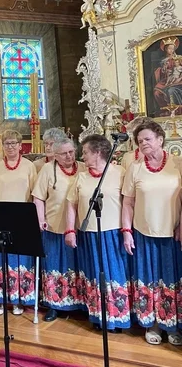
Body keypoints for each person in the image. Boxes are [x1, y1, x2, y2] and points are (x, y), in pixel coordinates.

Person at [121, 121, 182, 345]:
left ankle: (172, 324)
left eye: (147, 139)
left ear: (160, 139)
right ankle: (152, 324)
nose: (143, 143)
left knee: (171, 280)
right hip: (143, 233)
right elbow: (127, 203)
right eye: (139, 141)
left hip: (171, 235)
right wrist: (127, 231)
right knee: (148, 280)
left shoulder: (177, 164)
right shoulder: (134, 168)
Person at [66, 134, 131, 331]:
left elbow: (129, 202)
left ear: (98, 152)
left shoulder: (119, 172)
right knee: (94, 274)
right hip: (89, 234)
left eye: (85, 152)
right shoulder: (81, 177)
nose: (82, 156)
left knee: (115, 275)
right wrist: (70, 230)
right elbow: (71, 205)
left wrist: (127, 229)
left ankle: (118, 317)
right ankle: (98, 316)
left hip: (113, 234)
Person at [33, 138, 86, 321]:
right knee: (54, 266)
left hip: (79, 228)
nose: (69, 156)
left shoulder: (83, 167)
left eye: (72, 151)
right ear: (55, 155)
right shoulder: (48, 170)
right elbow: (38, 198)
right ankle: (54, 304)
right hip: (54, 226)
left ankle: (81, 303)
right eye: (64, 153)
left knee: (79, 266)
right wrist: (40, 219)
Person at [0, 130, 37, 316]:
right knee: (0, 259)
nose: (10, 146)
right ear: (3, 146)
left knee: (20, 260)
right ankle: (0, 301)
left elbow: (35, 193)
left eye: (13, 143)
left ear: (20, 145)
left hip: (21, 216)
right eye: (7, 143)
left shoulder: (29, 166)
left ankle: (19, 300)